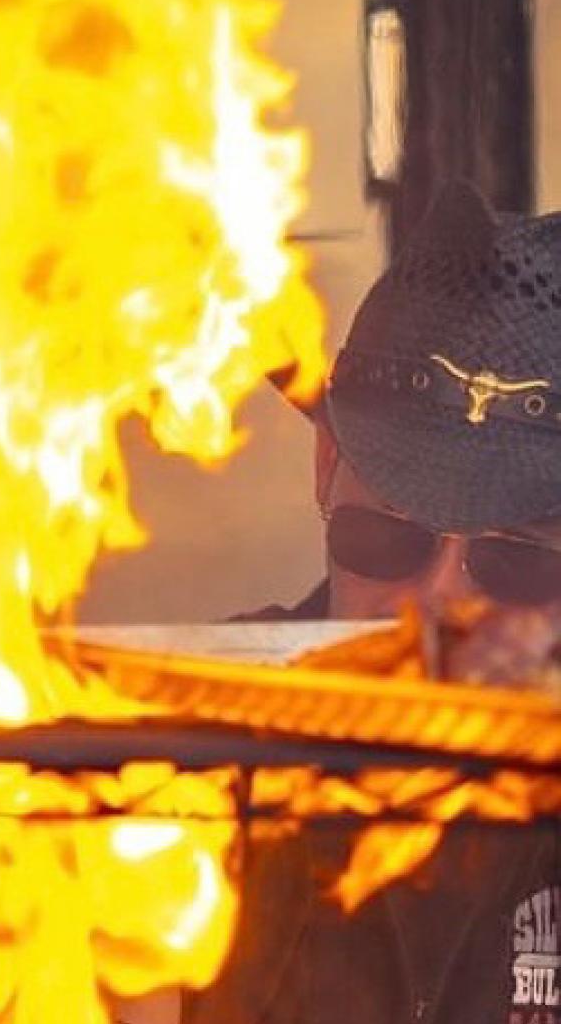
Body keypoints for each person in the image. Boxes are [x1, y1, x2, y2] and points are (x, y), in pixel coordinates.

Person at [192, 180, 561, 1024]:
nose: (435, 605)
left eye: (512, 564)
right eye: (389, 538)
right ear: (327, 470)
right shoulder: (185, 748)